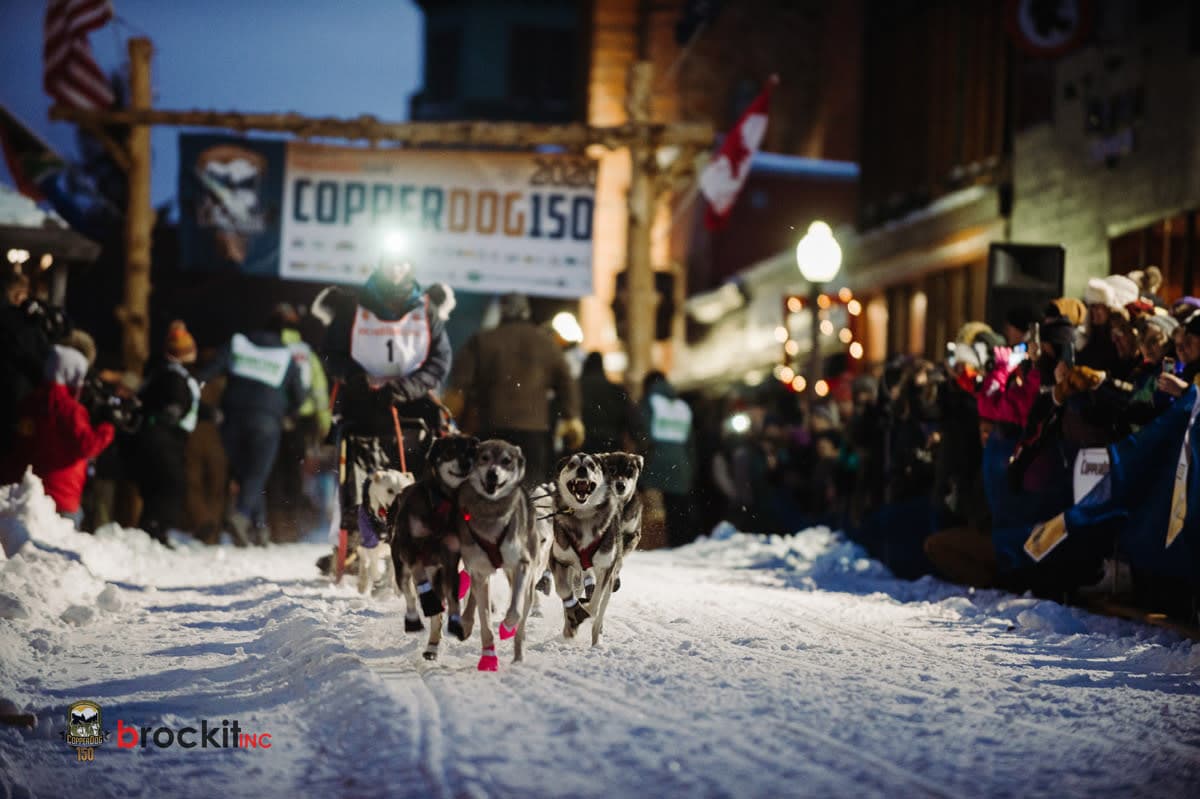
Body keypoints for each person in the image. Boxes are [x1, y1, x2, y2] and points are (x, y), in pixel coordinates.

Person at [315, 262, 453, 575]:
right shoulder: (353, 306)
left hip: (414, 405)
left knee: (427, 470)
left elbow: (440, 360)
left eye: (402, 263)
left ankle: (429, 539)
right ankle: (349, 543)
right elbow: (331, 354)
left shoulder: (426, 308)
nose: (396, 270)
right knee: (353, 476)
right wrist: (357, 378)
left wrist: (407, 387)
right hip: (361, 404)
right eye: (391, 263)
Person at [445, 292, 583, 486]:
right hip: (533, 430)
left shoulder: (483, 341)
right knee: (532, 489)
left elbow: (459, 385)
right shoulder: (546, 343)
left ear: (501, 311)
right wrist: (572, 417)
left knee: (489, 486)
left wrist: (449, 420)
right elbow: (566, 381)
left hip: (492, 425)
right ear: (527, 311)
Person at [198, 315, 304, 546]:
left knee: (247, 474)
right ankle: (242, 515)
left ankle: (259, 528)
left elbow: (208, 371)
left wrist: (196, 390)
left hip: (231, 417)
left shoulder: (238, 344)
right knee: (257, 473)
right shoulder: (286, 355)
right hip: (267, 419)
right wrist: (289, 413)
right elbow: (300, 395)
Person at [0, 345, 114, 525]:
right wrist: (108, 426)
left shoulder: (29, 402)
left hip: (24, 491)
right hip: (62, 495)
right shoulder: (71, 410)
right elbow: (87, 445)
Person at [265, 303, 331, 542]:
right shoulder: (306, 352)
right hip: (301, 421)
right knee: (294, 473)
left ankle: (274, 527)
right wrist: (324, 423)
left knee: (271, 472)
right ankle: (291, 527)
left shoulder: (265, 347)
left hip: (271, 416)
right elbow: (319, 389)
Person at [134, 321, 202, 546]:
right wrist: (170, 413)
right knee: (170, 485)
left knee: (161, 485)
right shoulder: (173, 375)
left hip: (161, 436)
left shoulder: (163, 371)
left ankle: (155, 530)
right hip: (164, 437)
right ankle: (154, 529)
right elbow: (176, 403)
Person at [636, 370, 695, 547]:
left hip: (655, 464)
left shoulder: (649, 402)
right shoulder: (683, 407)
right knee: (677, 518)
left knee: (654, 518)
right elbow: (690, 444)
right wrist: (690, 470)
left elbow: (643, 436)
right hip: (681, 466)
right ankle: (678, 547)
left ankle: (655, 551)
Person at [578, 351, 637, 453]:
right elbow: (631, 418)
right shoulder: (617, 390)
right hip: (610, 443)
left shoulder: (577, 388)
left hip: (582, 443)